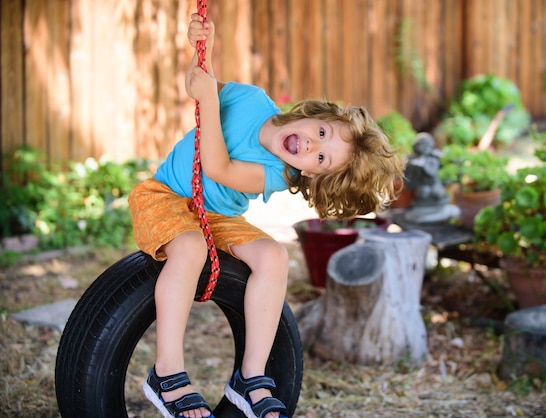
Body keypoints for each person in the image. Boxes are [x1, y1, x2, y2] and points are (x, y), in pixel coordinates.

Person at [128, 12, 404, 418]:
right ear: (317, 113)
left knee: (274, 257)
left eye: (322, 158)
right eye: (323, 133)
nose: (311, 146)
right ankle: (166, 371)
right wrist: (200, 50)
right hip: (167, 196)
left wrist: (206, 97)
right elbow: (200, 87)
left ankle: (250, 375)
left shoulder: (278, 172)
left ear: (310, 175)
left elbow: (219, 170)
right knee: (189, 248)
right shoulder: (252, 99)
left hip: (217, 215)